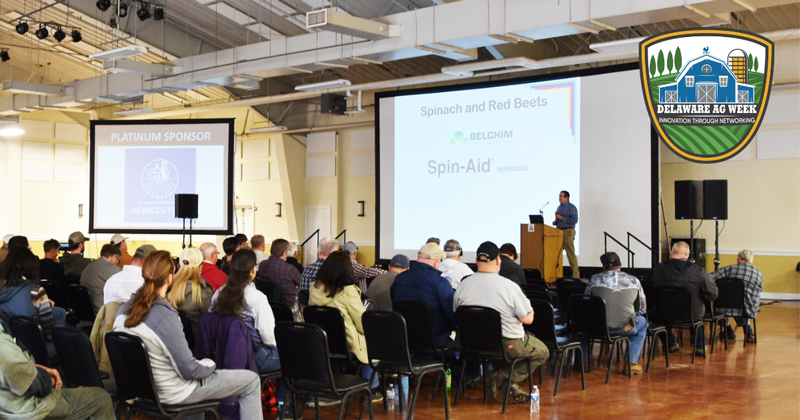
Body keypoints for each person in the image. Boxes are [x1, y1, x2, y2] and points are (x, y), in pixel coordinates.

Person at [113, 250, 263, 419]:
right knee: (251, 380)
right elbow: (189, 370)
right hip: (174, 392)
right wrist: (211, 364)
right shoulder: (164, 316)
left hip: (142, 393)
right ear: (170, 277)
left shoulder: (122, 311)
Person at [453, 241, 549, 404]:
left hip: (472, 345)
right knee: (542, 352)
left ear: (476, 261)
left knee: (500, 353)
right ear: (498, 261)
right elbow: (528, 319)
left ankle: (503, 378)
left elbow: (457, 312)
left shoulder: (464, 284)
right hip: (507, 345)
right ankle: (504, 377)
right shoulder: (508, 286)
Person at [0, 323, 115, 419]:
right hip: (23, 411)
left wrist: (37, 368)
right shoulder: (2, 344)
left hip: (7, 406)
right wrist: (47, 378)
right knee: (101, 399)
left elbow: (11, 367)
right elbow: (31, 383)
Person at [308, 250, 380, 393]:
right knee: (373, 339)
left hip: (322, 342)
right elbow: (362, 322)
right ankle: (372, 389)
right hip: (347, 344)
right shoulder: (348, 291)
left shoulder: (314, 287)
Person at [210, 249, 280, 375]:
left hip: (223, 354)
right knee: (291, 358)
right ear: (253, 270)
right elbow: (269, 339)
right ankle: (279, 395)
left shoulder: (218, 294)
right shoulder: (257, 298)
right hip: (253, 357)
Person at [584, 252, 648, 374]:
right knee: (643, 323)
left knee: (579, 323)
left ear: (603, 267)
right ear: (620, 265)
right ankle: (631, 363)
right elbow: (642, 310)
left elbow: (586, 303)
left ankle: (585, 362)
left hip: (598, 327)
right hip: (625, 327)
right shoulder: (634, 281)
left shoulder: (594, 279)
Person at [653, 241, 718, 356]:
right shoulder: (699, 271)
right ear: (688, 256)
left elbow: (653, 288)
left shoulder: (658, 269)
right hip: (692, 314)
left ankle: (670, 343)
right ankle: (699, 346)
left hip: (664, 312)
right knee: (697, 317)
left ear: (671, 253)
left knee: (659, 318)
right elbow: (712, 294)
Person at [0, 247, 68, 356]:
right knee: (64, 342)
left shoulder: (3, 290)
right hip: (33, 351)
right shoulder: (36, 292)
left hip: (8, 348)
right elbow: (49, 333)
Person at [391, 242, 456, 349]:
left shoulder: (399, 279)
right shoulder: (440, 283)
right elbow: (450, 313)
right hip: (436, 341)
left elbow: (395, 304)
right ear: (436, 262)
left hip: (406, 339)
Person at [711, 249, 763, 342]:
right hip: (749, 308)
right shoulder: (758, 273)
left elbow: (710, 277)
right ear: (751, 260)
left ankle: (728, 330)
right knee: (741, 299)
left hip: (726, 307)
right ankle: (748, 332)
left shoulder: (730, 269)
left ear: (738, 259)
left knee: (724, 297)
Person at [168, 247, 213, 339]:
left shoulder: (167, 288)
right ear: (200, 266)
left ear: (179, 264)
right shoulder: (202, 292)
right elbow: (213, 321)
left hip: (173, 343)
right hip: (198, 347)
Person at [257, 238, 301, 307]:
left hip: (267, 304)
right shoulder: (290, 269)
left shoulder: (262, 265)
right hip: (287, 307)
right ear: (284, 253)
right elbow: (301, 283)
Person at [80, 244, 122, 314]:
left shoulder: (89, 266)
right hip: (102, 311)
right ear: (113, 257)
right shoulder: (114, 270)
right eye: (118, 260)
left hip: (84, 312)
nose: (117, 263)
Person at [553, 190, 580, 278]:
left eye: (561, 196)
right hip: (559, 231)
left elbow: (574, 220)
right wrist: (556, 221)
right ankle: (556, 274)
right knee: (556, 253)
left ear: (566, 198)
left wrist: (562, 218)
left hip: (568, 231)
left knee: (570, 253)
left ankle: (576, 275)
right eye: (559, 196)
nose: (559, 198)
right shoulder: (559, 207)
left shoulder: (571, 207)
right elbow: (559, 219)